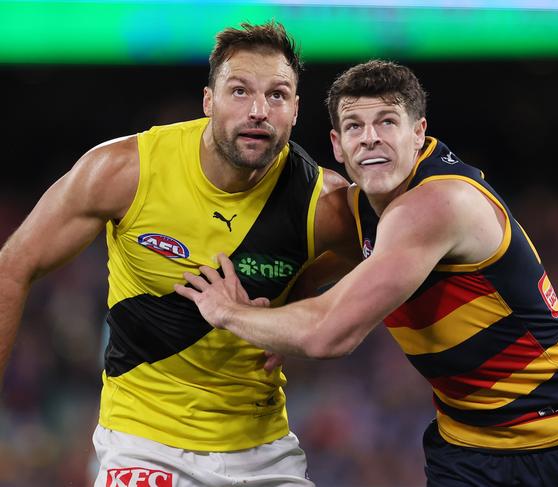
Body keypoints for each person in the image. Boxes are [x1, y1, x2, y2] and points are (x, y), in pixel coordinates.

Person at [175, 60, 558, 486]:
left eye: (386, 123)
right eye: (354, 126)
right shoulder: (360, 206)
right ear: (338, 145)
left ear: (418, 133)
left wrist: (229, 312)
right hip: (468, 445)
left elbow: (328, 335)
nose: (370, 138)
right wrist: (278, 317)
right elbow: (318, 278)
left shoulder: (437, 205)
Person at [0, 21, 359, 487]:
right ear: (208, 101)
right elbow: (14, 266)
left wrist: (297, 306)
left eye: (277, 95)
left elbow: (377, 259)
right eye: (239, 91)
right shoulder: (124, 171)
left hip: (264, 453)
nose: (258, 111)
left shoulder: (323, 202)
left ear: (295, 109)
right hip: (143, 445)